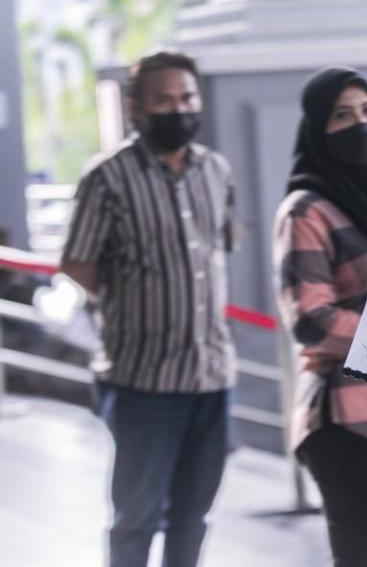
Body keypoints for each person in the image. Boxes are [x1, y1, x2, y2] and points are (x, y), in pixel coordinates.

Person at [60, 51, 236, 567]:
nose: (178, 109)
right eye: (163, 100)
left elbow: (216, 251)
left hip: (213, 379)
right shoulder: (106, 178)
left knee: (194, 516)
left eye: (186, 98)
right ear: (136, 110)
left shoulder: (216, 171)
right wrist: (134, 299)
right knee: (135, 519)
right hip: (143, 384)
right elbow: (77, 263)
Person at [273, 67, 367, 567]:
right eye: (342, 115)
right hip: (347, 420)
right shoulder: (306, 210)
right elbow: (310, 319)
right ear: (317, 128)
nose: (361, 123)